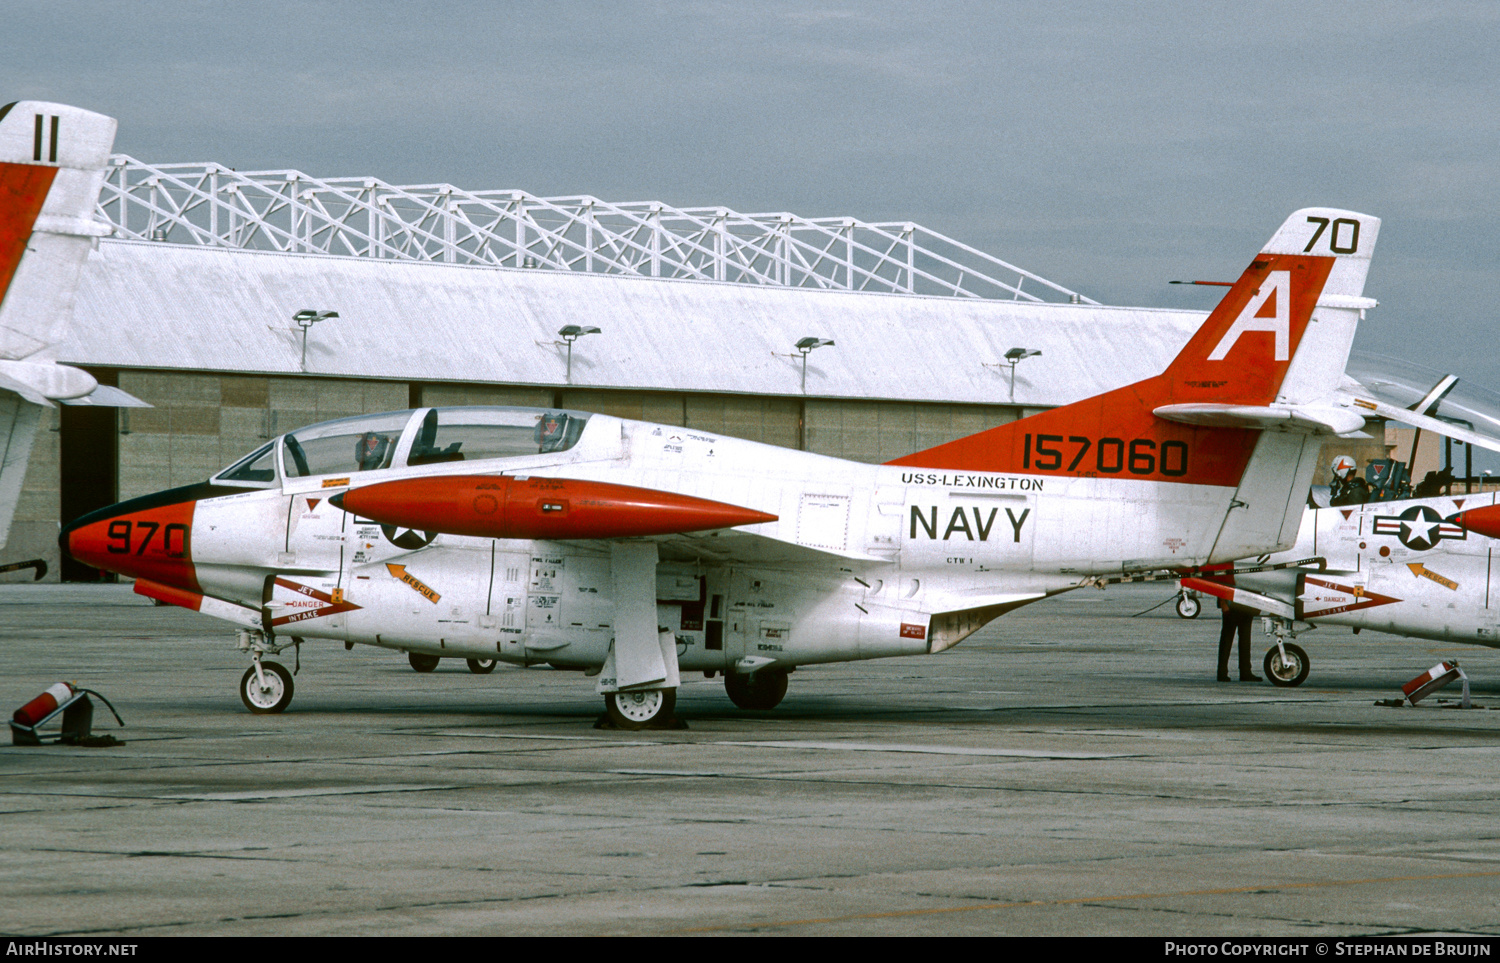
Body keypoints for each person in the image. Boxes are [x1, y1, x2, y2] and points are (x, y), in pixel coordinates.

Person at [1217, 598, 1261, 683]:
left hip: (1246, 605)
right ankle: (1222, 672)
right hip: (1232, 605)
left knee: (1245, 640)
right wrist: (1223, 603)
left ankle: (1245, 671)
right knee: (1227, 640)